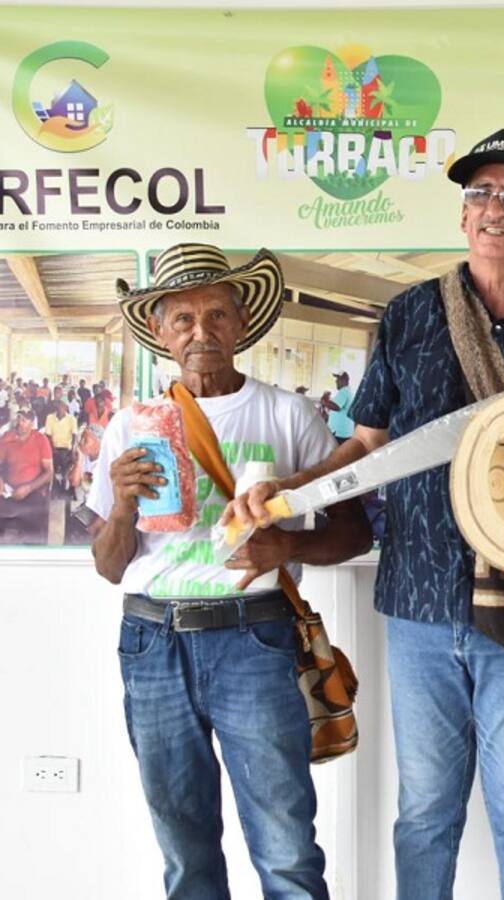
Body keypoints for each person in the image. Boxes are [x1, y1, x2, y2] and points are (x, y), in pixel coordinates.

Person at [223, 128, 504, 900]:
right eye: (479, 194)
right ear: (462, 215)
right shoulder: (411, 314)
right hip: (415, 602)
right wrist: (286, 491)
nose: (493, 209)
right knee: (425, 813)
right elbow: (367, 447)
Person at [87, 243, 372, 899]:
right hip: (151, 641)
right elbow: (108, 567)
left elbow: (355, 530)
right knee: (185, 855)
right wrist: (125, 506)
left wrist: (285, 550)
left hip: (254, 636)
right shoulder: (130, 425)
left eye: (217, 315)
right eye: (182, 319)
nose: (200, 333)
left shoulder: (288, 415)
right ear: (158, 330)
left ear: (242, 324)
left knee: (287, 852)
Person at [0, 404, 53, 543]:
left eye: (24, 420)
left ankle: (34, 555)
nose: (19, 423)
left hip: (33, 491)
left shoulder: (41, 440)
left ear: (32, 423)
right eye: (18, 418)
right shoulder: (7, 438)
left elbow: (49, 473)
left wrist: (28, 488)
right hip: (9, 490)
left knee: (34, 523)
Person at [43, 398, 78, 495]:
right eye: (58, 406)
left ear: (66, 408)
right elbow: (48, 435)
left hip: (66, 448)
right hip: (53, 447)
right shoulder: (50, 417)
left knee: (66, 461)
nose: (60, 408)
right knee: (47, 464)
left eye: (62, 406)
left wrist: (72, 449)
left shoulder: (72, 419)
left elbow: (74, 435)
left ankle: (64, 483)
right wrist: (53, 449)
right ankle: (56, 483)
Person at [321, 369, 355, 444]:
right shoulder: (346, 392)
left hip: (340, 433)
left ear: (344, 380)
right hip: (342, 432)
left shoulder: (344, 391)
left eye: (338, 379)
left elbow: (336, 407)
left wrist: (324, 400)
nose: (336, 381)